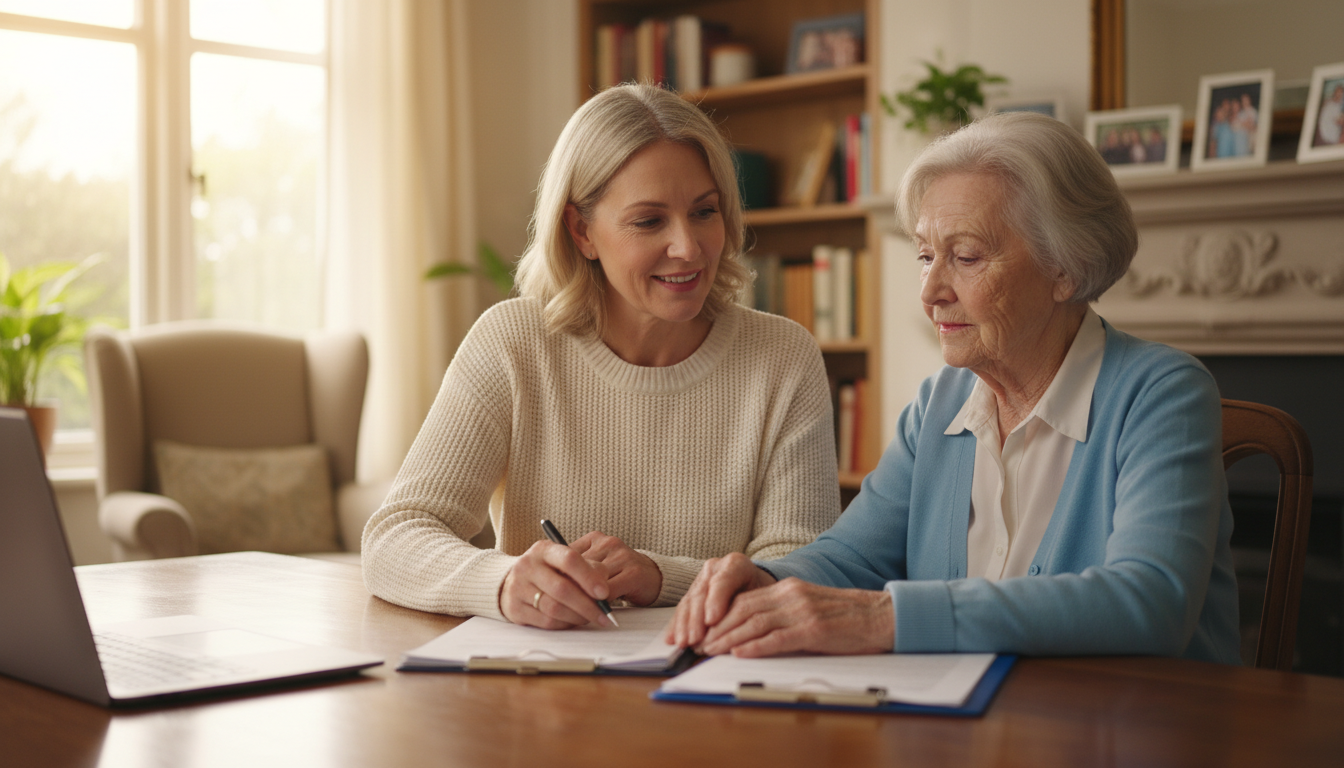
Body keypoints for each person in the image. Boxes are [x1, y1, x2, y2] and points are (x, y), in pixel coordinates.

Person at [668, 111, 1241, 664]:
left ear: (1067, 266)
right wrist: (765, 577)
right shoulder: (939, 404)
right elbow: (852, 557)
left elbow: (1151, 601)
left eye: (965, 256)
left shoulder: (1163, 394)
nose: (931, 291)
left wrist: (883, 619)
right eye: (925, 256)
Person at [362, 83, 842, 629]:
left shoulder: (782, 357)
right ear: (581, 230)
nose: (688, 247)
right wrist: (502, 583)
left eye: (704, 211)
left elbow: (801, 573)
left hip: (709, 685)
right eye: (649, 220)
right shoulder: (513, 344)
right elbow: (395, 537)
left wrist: (661, 578)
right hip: (541, 685)